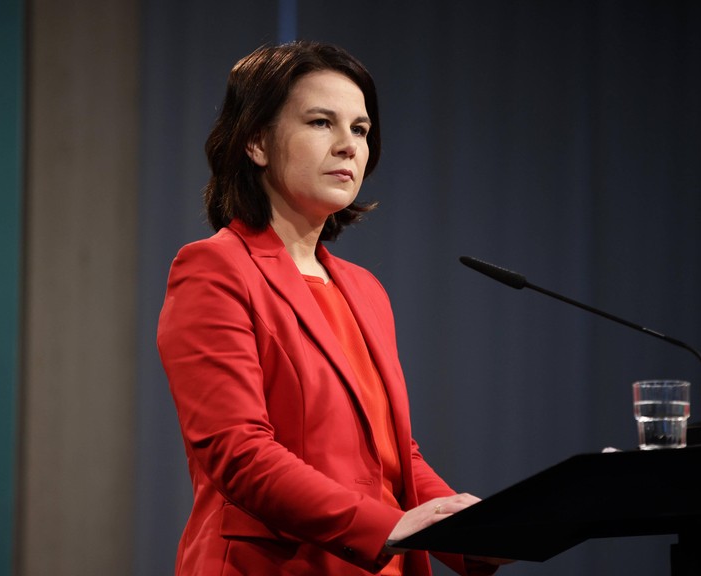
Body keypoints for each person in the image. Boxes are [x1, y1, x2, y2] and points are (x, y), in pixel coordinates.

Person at [157, 40, 503, 576]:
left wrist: (473, 531)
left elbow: (394, 457)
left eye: (360, 130)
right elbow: (239, 452)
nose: (348, 146)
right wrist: (382, 528)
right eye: (322, 122)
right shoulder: (214, 268)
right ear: (256, 142)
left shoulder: (364, 289)